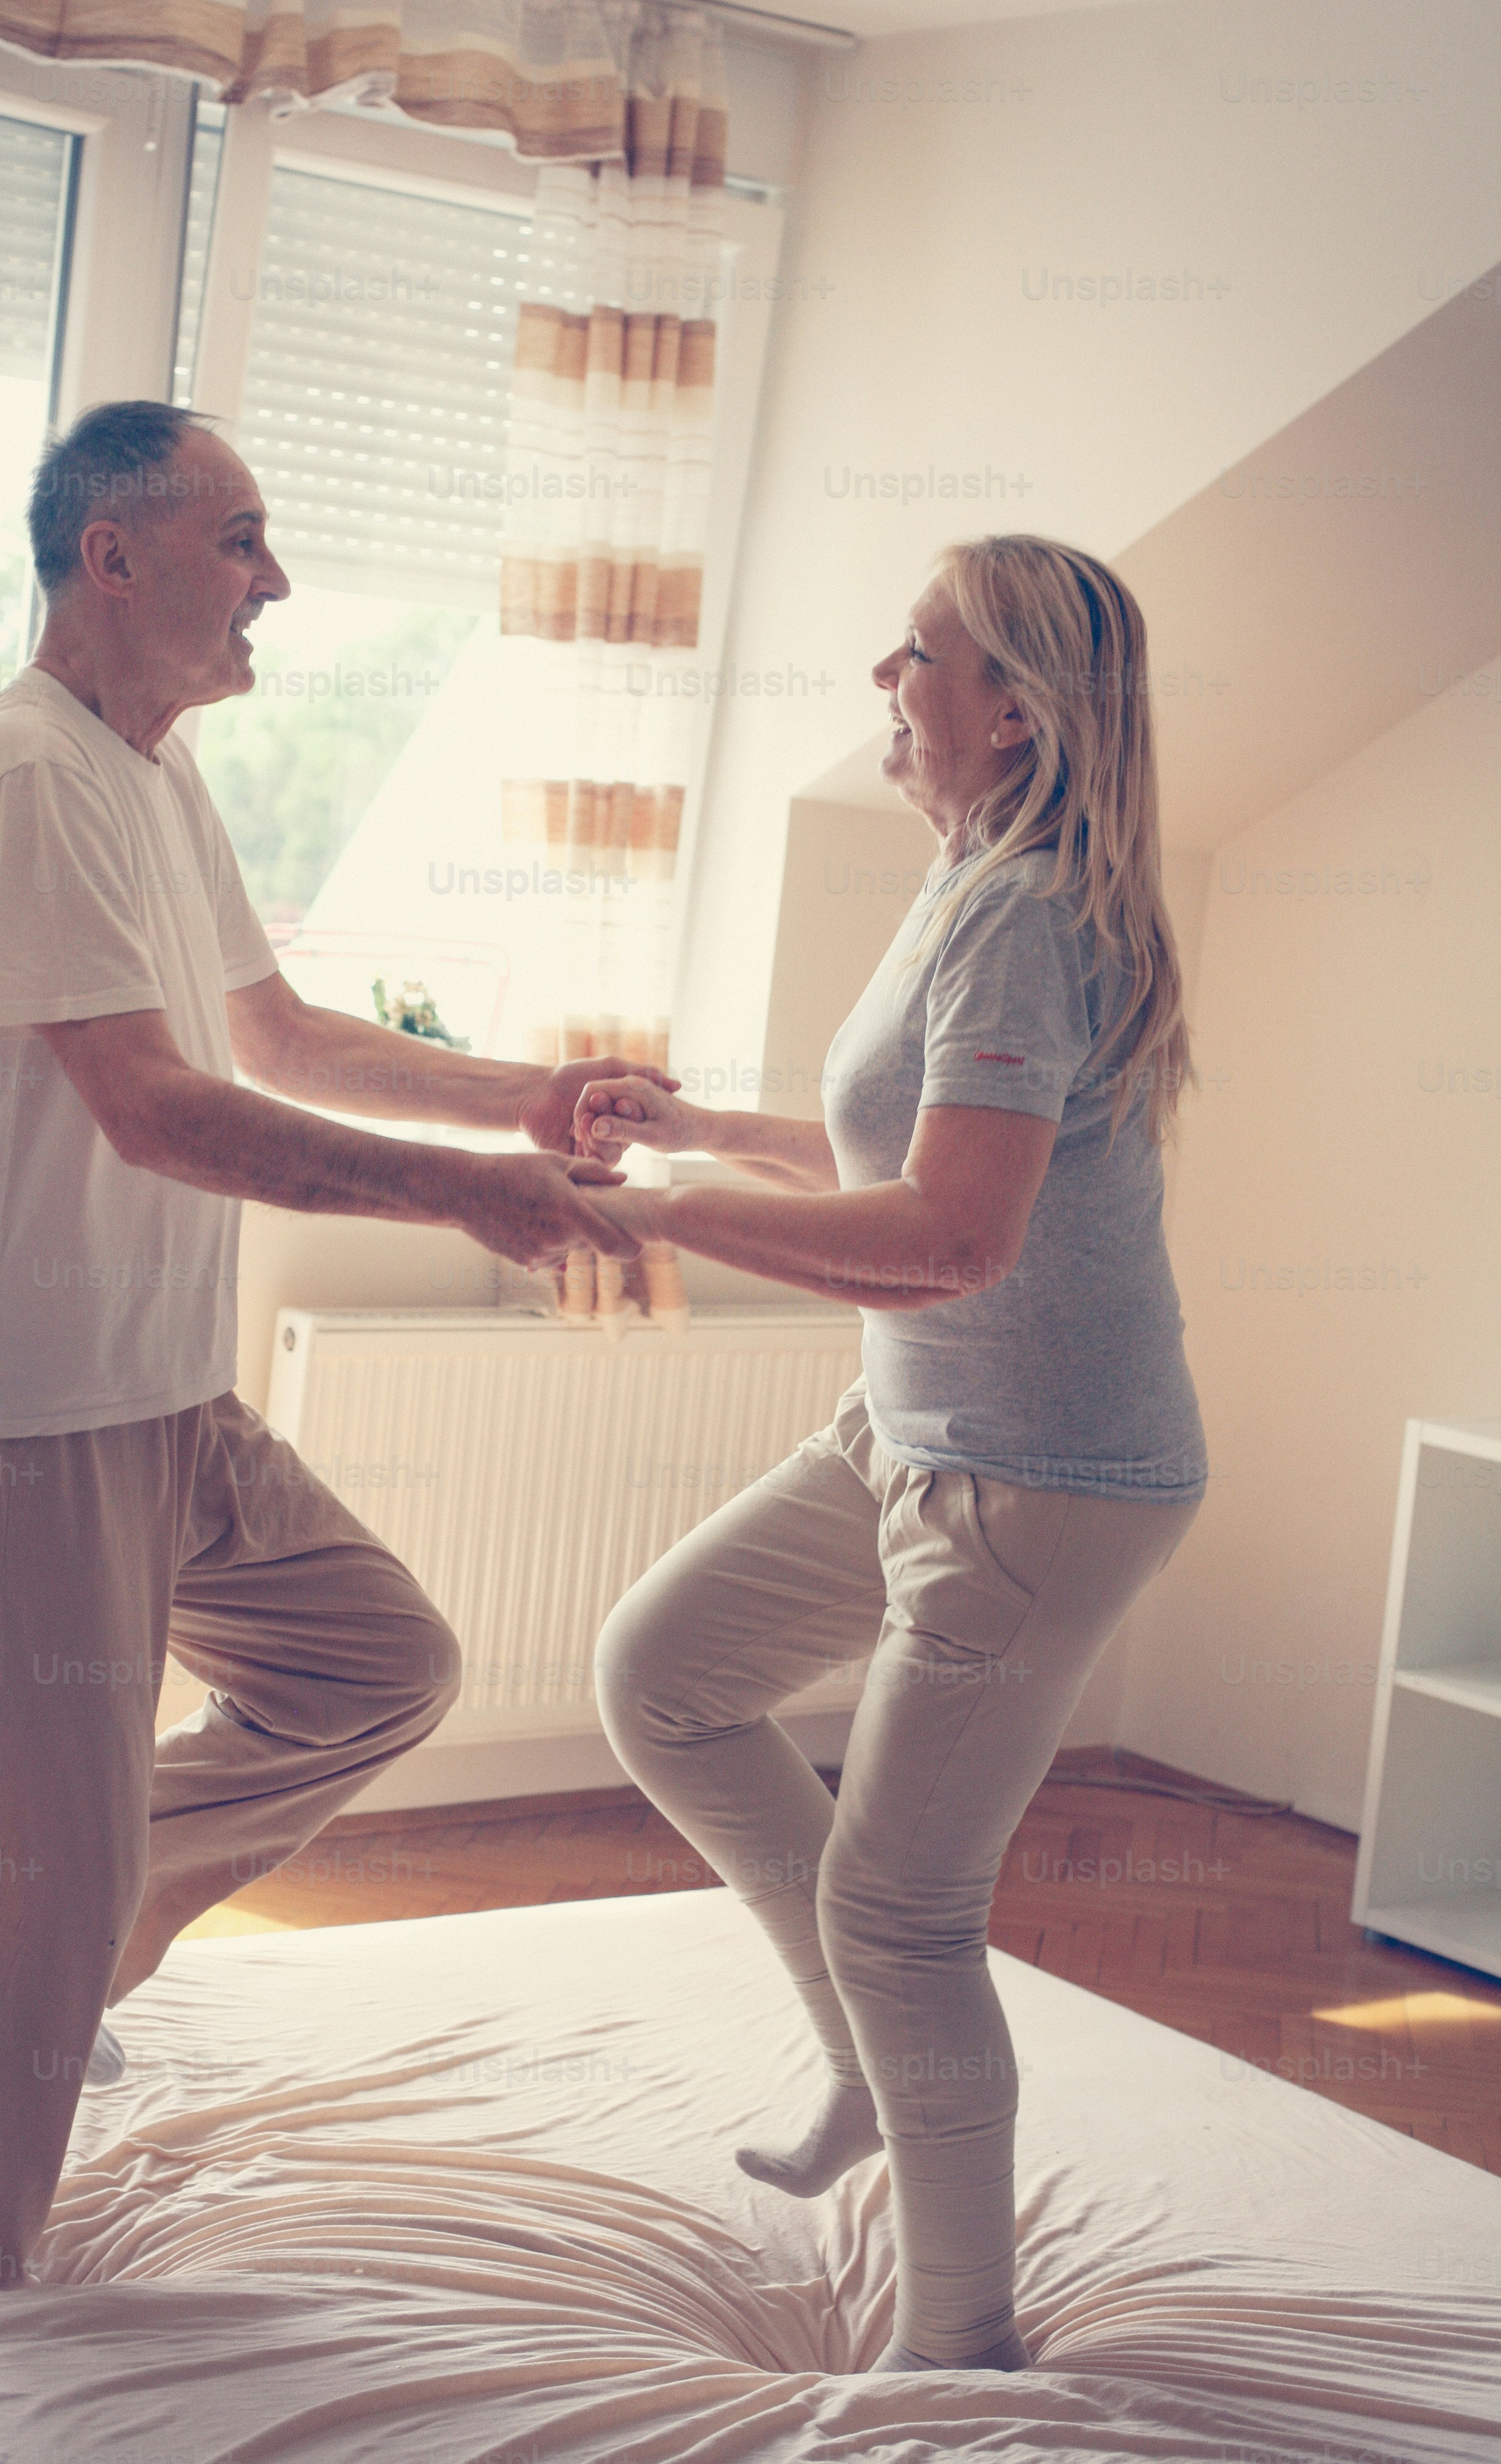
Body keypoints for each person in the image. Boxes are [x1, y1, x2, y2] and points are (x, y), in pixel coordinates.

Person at [0, 398, 662, 2290]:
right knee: (9, 1922)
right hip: (20, 1415)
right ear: (110, 558)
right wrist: (458, 1201)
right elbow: (153, 1107)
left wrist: (524, 1102)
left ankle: (79, 1910)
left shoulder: (151, 773)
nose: (276, 577)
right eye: (242, 537)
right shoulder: (24, 775)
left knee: (375, 1661)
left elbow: (273, 1039)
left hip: (157, 1386)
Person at [574, 536, 1208, 2375]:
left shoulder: (1026, 911)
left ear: (1010, 711)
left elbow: (949, 1239)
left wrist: (667, 1216)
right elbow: (896, 1152)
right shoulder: (970, 877)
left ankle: (962, 2345)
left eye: (915, 652)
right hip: (911, 1430)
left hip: (1044, 1482)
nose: (883, 676)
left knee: (900, 1907)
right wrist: (692, 1131)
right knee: (665, 1673)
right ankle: (864, 2065)